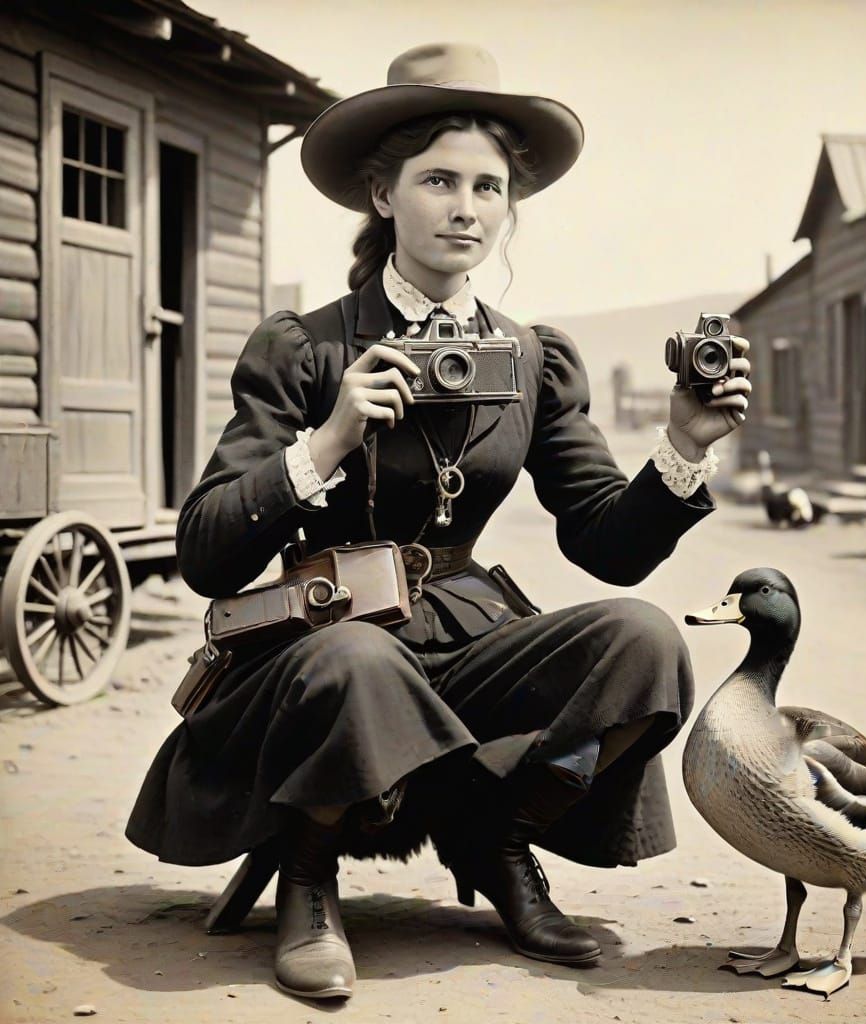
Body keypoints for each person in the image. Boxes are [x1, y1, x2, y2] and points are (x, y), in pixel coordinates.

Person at [126, 42, 753, 1001]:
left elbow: (605, 543)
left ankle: (496, 840)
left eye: (489, 187)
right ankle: (306, 879)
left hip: (465, 633)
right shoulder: (306, 346)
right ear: (383, 196)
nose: (467, 207)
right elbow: (207, 550)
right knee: (357, 658)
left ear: (508, 207)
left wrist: (685, 443)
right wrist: (326, 440)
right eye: (438, 181)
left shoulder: (531, 357)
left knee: (642, 639)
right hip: (321, 644)